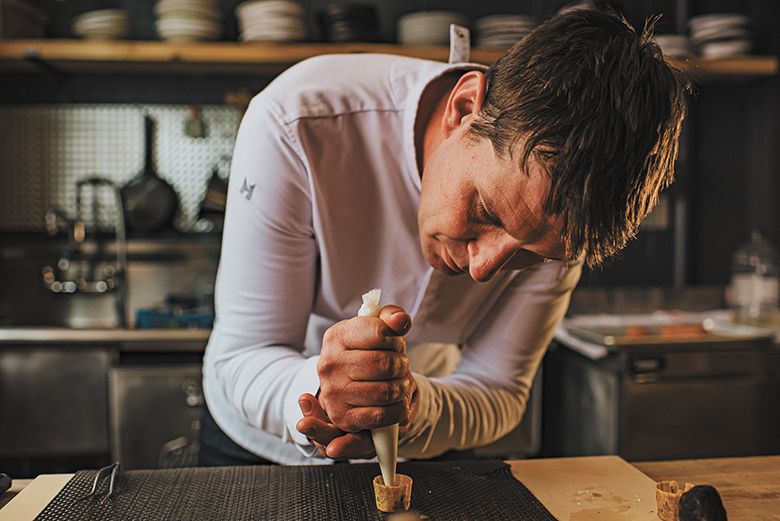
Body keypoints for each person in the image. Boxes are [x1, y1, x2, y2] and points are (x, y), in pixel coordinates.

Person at [198, 7, 688, 465]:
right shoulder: (297, 122)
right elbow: (244, 356)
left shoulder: (567, 215)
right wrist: (324, 396)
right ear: (464, 107)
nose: (483, 268)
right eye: (489, 211)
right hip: (256, 442)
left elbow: (500, 389)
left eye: (532, 256)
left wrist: (412, 405)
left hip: (430, 442)